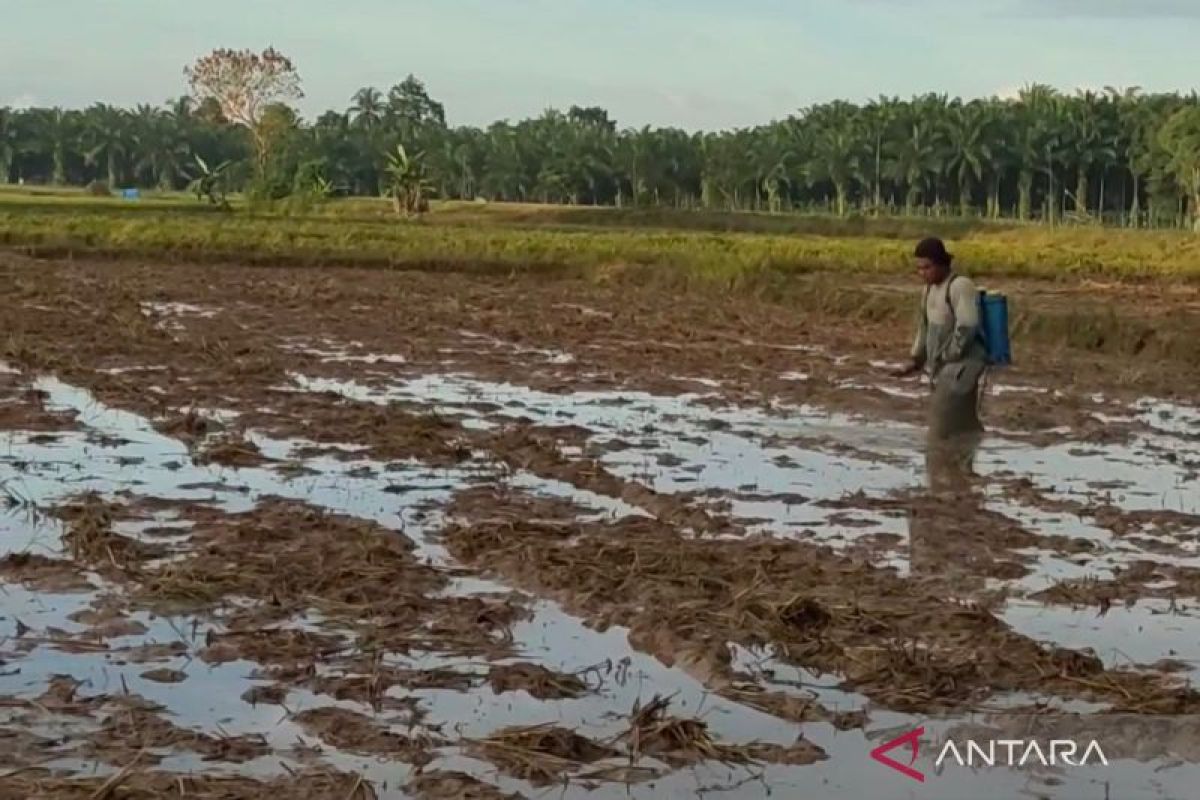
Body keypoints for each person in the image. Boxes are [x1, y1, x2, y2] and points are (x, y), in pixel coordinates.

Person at [893, 237, 989, 442]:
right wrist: (915, 360)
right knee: (961, 423)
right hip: (945, 367)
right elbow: (924, 326)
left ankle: (944, 464)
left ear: (941, 263)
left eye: (927, 267)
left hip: (962, 365)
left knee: (940, 425)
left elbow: (968, 325)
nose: (922, 273)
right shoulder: (928, 290)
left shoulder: (960, 286)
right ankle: (965, 459)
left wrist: (948, 356)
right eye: (918, 268)